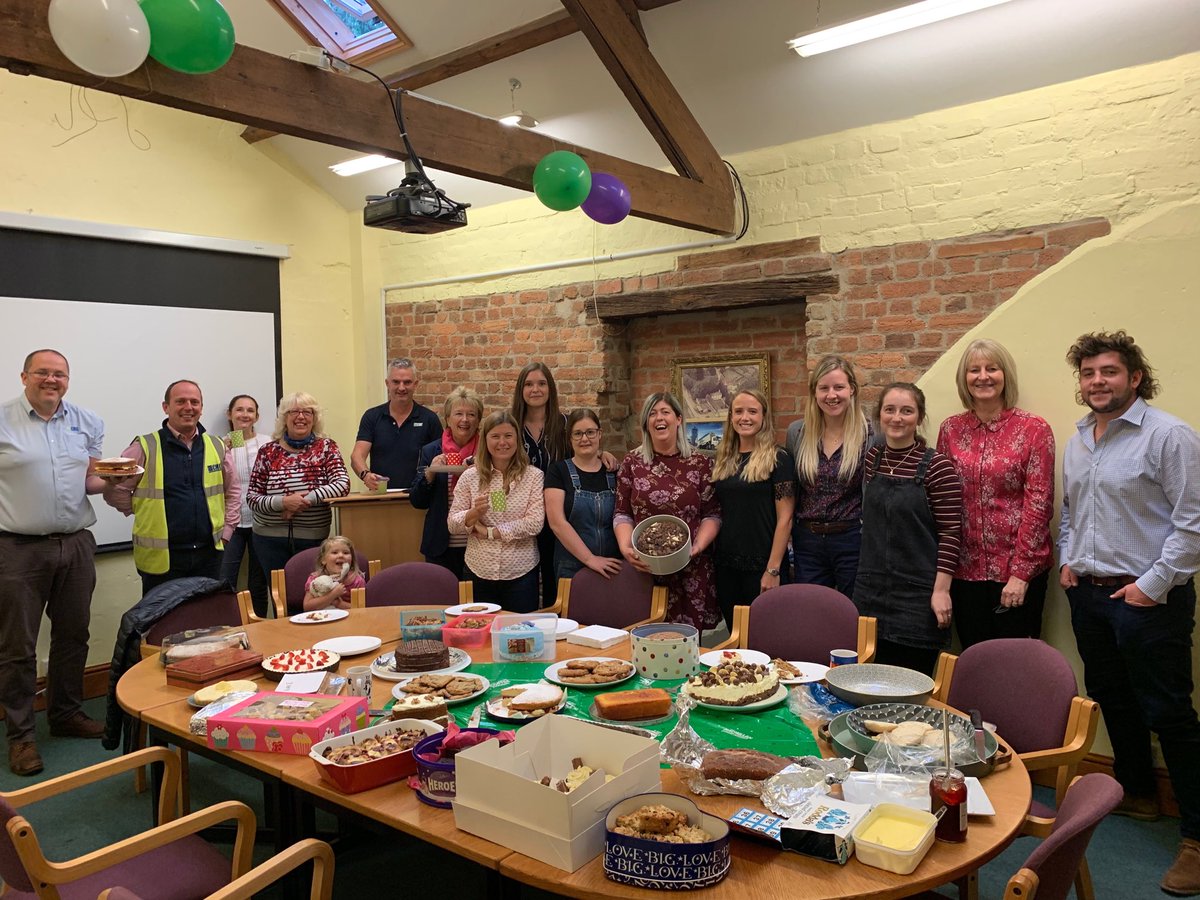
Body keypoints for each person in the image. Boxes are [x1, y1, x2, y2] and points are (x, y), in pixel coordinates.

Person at [1057, 331, 1200, 896]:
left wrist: (1153, 585)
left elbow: (1192, 523)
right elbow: (1070, 511)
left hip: (1149, 598)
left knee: (1169, 711)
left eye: (1109, 372)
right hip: (1090, 596)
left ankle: (1195, 838)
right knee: (1112, 697)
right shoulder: (1079, 440)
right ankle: (1138, 794)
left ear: (1134, 377)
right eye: (1089, 372)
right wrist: (1069, 558)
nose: (1097, 382)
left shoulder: (1169, 436)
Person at [0, 349, 108, 775]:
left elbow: (92, 480)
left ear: (68, 379)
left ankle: (65, 714)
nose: (51, 379)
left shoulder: (87, 421)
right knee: (17, 647)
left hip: (77, 543)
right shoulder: (4, 419)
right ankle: (21, 736)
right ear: (24, 376)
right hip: (18, 548)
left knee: (72, 636)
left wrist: (121, 482)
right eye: (42, 372)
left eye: (59, 374)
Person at [937, 339, 1055, 647]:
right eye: (974, 370)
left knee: (1015, 668)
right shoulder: (950, 430)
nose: (983, 376)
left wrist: (1020, 574)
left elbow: (1039, 504)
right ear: (964, 378)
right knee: (975, 662)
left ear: (1006, 375)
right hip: (964, 573)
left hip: (1016, 574)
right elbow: (942, 503)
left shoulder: (1034, 429)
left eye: (992, 368)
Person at [853, 383, 962, 677]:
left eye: (906, 411)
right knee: (866, 683)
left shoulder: (938, 467)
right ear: (879, 415)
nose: (897, 418)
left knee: (909, 687)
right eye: (890, 410)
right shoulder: (871, 459)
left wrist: (941, 591)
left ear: (920, 416)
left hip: (917, 597)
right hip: (870, 592)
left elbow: (951, 533)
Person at [103, 380, 240, 596]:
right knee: (162, 625)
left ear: (201, 408)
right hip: (162, 560)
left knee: (206, 623)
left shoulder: (217, 445)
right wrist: (142, 509)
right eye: (181, 401)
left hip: (209, 555)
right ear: (166, 407)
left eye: (195, 402)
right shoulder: (144, 447)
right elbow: (114, 491)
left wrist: (227, 532)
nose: (189, 407)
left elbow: (232, 492)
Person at [614, 392, 721, 630]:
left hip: (690, 568)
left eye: (665, 412)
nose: (659, 418)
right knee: (644, 639)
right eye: (652, 413)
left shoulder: (701, 462)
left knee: (686, 644)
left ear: (679, 419)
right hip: (645, 569)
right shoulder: (632, 462)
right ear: (646, 423)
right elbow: (622, 513)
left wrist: (698, 547)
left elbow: (712, 514)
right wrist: (625, 547)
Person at [246, 392, 350, 610]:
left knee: (314, 597)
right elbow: (253, 497)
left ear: (315, 417)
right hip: (269, 539)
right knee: (281, 601)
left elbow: (342, 484)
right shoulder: (268, 451)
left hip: (311, 540)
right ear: (284, 417)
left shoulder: (326, 448)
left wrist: (304, 501)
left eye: (307, 412)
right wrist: (283, 502)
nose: (300, 416)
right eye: (294, 411)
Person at [787, 355, 873, 596]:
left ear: (852, 390)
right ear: (814, 393)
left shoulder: (871, 434)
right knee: (812, 613)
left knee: (854, 612)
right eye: (823, 388)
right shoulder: (798, 433)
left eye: (839, 387)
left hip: (852, 539)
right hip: (808, 541)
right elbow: (793, 490)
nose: (831, 395)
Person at [711, 389, 795, 629]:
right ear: (730, 417)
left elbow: (786, 519)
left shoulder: (779, 459)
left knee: (767, 639)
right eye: (738, 411)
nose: (744, 417)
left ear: (764, 417)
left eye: (752, 411)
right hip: (726, 566)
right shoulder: (723, 460)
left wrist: (773, 569)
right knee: (736, 642)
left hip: (763, 566)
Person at [447, 411, 545, 612]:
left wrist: (489, 532)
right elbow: (452, 523)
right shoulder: (470, 477)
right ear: (485, 440)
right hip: (478, 570)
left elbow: (534, 523)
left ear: (517, 439)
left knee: (520, 635)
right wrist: (473, 513)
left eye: (508, 436)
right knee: (479, 635)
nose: (502, 442)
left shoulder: (534, 476)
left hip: (521, 573)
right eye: (495, 436)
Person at [410, 386, 483, 579]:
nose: (465, 420)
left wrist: (482, 472)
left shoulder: (488, 450)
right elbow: (417, 501)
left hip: (481, 543)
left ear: (479, 420)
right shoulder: (431, 451)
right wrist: (430, 473)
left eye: (471, 414)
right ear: (448, 419)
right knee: (444, 601)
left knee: (476, 605)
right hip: (440, 544)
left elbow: (501, 500)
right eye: (458, 413)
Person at [545, 409, 622, 582]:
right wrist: (590, 559)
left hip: (613, 565)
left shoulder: (614, 471)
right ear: (569, 437)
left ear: (600, 434)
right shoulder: (558, 472)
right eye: (578, 434)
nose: (584, 439)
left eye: (590, 432)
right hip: (571, 567)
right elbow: (557, 523)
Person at [351, 357, 441, 492]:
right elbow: (357, 456)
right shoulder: (372, 417)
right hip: (381, 497)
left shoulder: (430, 419)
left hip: (420, 498)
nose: (401, 387)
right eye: (396, 382)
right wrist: (366, 475)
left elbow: (440, 459)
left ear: (416, 384)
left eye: (407, 382)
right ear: (387, 383)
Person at [218, 393, 272, 616]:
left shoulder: (267, 443)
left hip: (262, 522)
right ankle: (228, 628)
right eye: (239, 410)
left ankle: (259, 627)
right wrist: (226, 448)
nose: (245, 415)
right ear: (229, 414)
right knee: (225, 580)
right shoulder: (221, 445)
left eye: (250, 410)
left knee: (258, 582)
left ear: (257, 416)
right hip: (232, 522)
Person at [301, 535, 367, 612]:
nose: (341, 555)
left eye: (346, 553)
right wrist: (332, 595)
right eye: (334, 552)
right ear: (323, 560)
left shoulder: (357, 581)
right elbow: (307, 607)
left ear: (352, 560)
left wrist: (339, 604)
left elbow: (362, 609)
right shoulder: (315, 579)